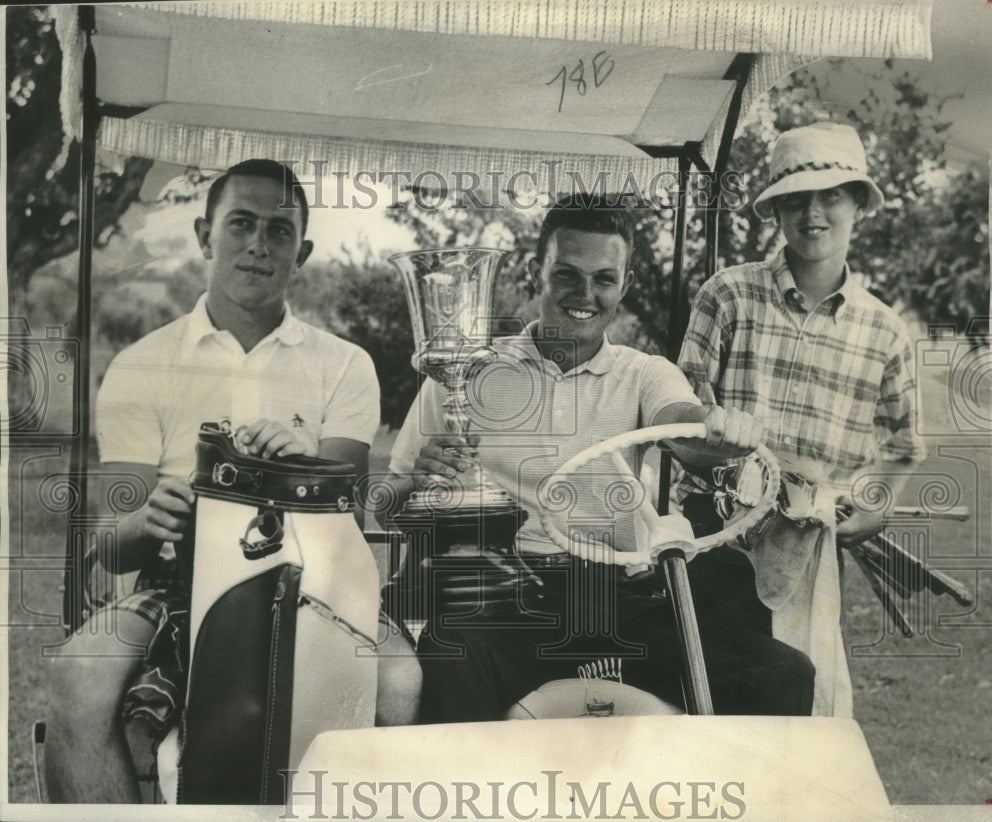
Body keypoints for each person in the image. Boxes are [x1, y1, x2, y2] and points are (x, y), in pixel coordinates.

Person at [45, 159, 420, 803]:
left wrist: (304, 465)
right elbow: (114, 543)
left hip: (319, 584)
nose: (258, 244)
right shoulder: (142, 365)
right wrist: (150, 518)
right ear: (203, 234)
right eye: (240, 223)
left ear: (300, 252)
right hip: (177, 581)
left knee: (399, 680)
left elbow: (350, 520)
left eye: (279, 230)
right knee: (79, 673)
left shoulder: (344, 364)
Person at [384, 195, 816, 723]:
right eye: (567, 275)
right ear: (535, 272)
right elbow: (386, 504)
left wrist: (721, 430)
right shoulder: (467, 370)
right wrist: (421, 481)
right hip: (509, 598)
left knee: (782, 673)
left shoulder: (644, 373)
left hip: (623, 596)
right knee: (453, 650)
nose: (585, 295)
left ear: (625, 286)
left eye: (604, 279)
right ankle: (466, 802)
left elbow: (683, 425)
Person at [677, 122, 926, 717]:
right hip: (715, 537)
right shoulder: (729, 294)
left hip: (810, 550)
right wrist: (724, 449)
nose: (813, 213)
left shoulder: (884, 330)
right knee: (713, 703)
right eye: (795, 199)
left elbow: (903, 445)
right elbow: (680, 415)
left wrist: (874, 504)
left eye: (831, 196)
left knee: (801, 702)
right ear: (776, 211)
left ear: (859, 205)